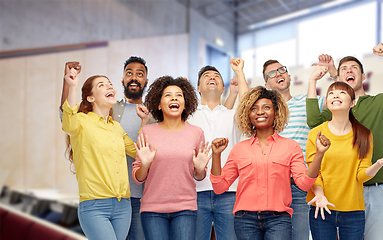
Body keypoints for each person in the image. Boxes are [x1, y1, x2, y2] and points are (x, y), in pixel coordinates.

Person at [306, 43, 383, 240]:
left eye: (354, 68)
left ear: (364, 76)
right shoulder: (337, 110)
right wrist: (316, 81)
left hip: (376, 188)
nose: (349, 71)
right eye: (344, 70)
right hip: (343, 191)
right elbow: (314, 122)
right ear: (338, 79)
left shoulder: (381, 103)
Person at [210, 86, 330, 240]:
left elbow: (304, 184)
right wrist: (216, 155)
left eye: (266, 107)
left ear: (276, 112)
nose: (260, 112)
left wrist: (320, 153)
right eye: (254, 108)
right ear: (248, 114)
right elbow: (220, 187)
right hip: (245, 220)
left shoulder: (291, 146)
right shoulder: (238, 149)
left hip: (279, 220)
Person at [60, 56, 151, 240]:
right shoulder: (80, 122)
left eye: (109, 84)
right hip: (94, 205)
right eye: (102, 85)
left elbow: (138, 152)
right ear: (90, 97)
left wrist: (145, 122)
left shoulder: (116, 128)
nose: (109, 87)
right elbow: (67, 120)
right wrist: (72, 87)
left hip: (122, 205)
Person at [306, 80, 383, 240]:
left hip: (353, 210)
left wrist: (377, 165)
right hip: (321, 208)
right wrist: (320, 195)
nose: (335, 95)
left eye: (342, 92)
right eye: (331, 93)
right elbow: (314, 172)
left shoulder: (364, 135)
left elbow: (361, 176)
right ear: (328, 102)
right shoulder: (316, 133)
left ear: (353, 102)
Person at [132, 76, 211, 240]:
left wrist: (199, 168)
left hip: (185, 209)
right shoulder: (147, 132)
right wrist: (145, 165)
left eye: (179, 95)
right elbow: (138, 178)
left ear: (184, 104)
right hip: (152, 210)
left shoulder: (196, 133)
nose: (174, 98)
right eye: (168, 95)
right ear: (159, 104)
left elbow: (200, 176)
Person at [262, 59, 325, 240]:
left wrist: (330, 74)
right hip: (271, 184)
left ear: (289, 76)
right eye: (272, 73)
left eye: (281, 70)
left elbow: (341, 100)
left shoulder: (308, 102)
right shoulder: (264, 112)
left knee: (300, 236)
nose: (278, 74)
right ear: (267, 84)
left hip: (299, 184)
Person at [188, 58, 249, 240]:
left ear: (224, 89)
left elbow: (248, 105)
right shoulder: (188, 115)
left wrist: (239, 72)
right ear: (198, 88)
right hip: (195, 192)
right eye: (206, 76)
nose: (212, 77)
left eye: (217, 76)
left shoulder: (232, 115)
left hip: (229, 191)